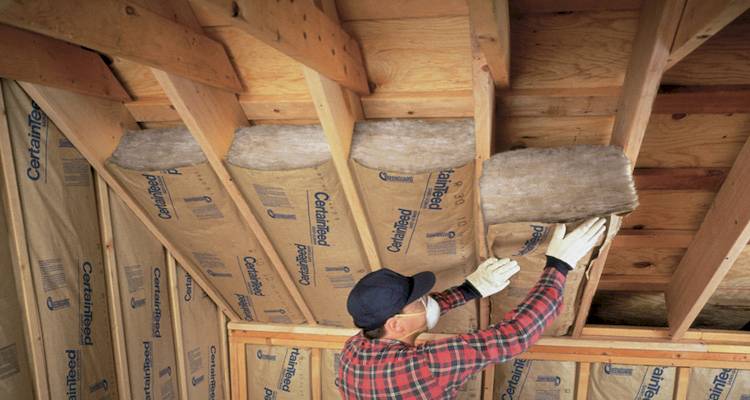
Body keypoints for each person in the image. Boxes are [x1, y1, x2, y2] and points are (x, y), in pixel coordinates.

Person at [339, 217, 607, 399]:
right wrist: (559, 266)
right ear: (395, 324)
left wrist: (470, 290)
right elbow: (514, 336)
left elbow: (426, 311)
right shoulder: (424, 366)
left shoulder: (354, 349)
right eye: (419, 300)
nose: (428, 300)